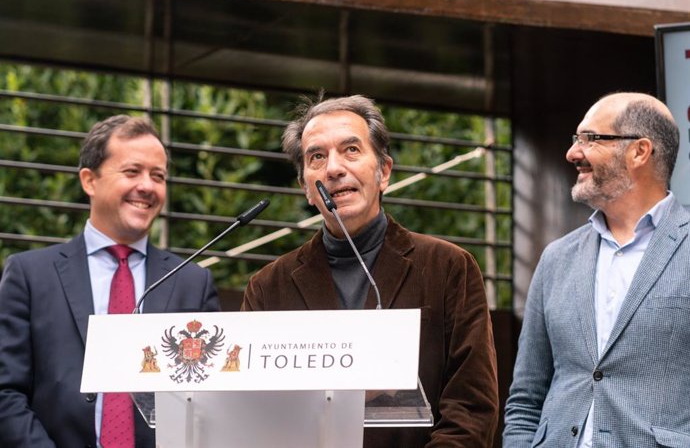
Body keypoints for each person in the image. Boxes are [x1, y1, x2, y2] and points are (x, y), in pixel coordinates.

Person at [242, 95, 499, 447]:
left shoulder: (448, 267)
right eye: (317, 156)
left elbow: (471, 408)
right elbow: (254, 413)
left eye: (350, 150)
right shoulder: (268, 287)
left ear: (384, 172)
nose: (333, 168)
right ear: (306, 187)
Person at [0, 115, 219, 448]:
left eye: (157, 176)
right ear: (89, 181)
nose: (147, 186)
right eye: (132, 172)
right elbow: (6, 391)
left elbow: (209, 401)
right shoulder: (29, 275)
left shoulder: (193, 281)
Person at [503, 92, 687, 447]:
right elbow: (526, 397)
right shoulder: (557, 258)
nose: (573, 153)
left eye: (590, 139)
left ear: (639, 151)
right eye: (576, 139)